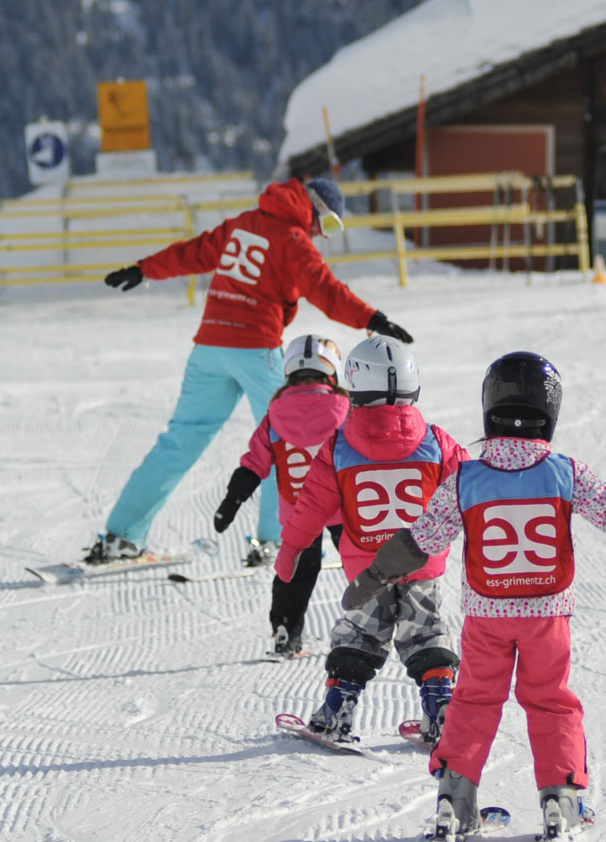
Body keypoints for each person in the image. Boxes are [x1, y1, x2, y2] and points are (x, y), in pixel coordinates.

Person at [342, 351, 606, 842]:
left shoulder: (466, 477)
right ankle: (561, 800)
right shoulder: (565, 472)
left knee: (474, 700)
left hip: (487, 618)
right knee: (550, 701)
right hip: (547, 618)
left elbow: (422, 539)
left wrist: (374, 575)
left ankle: (454, 799)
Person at [84, 176, 412, 566]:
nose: (323, 235)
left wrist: (144, 269)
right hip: (256, 349)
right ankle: (276, 541)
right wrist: (371, 318)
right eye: (328, 224)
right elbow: (325, 290)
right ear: (315, 208)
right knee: (287, 439)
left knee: (179, 441)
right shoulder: (293, 240)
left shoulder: (242, 224)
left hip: (209, 349)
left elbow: (193, 252)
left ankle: (122, 535)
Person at [271, 336, 468, 744]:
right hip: (421, 562)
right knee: (426, 632)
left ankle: (336, 713)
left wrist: (292, 548)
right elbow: (472, 490)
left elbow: (311, 504)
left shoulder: (339, 446)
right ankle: (441, 710)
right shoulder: (436, 441)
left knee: (360, 636)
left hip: (367, 569)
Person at [212, 334, 351, 658]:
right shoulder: (345, 409)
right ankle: (378, 619)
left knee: (296, 571)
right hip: (342, 506)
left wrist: (232, 500)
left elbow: (254, 463)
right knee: (360, 561)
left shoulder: (275, 414)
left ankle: (285, 630)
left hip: (299, 510)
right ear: (332, 371)